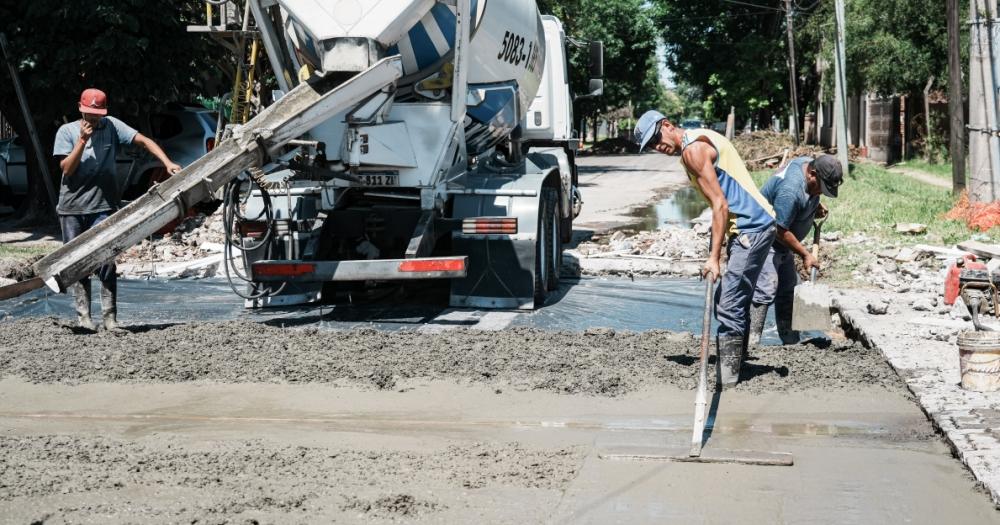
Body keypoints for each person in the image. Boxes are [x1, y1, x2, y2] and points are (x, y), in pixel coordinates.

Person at [633, 110, 775, 389]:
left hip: (751, 227)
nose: (656, 147)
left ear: (667, 125)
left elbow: (720, 205)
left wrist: (713, 258)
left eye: (655, 139)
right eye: (650, 146)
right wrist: (717, 253)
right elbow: (720, 205)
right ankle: (737, 359)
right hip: (753, 226)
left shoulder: (692, 151)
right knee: (729, 295)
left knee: (730, 301)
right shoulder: (701, 141)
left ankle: (729, 379)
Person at [53, 88, 182, 330]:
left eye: (97, 114)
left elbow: (143, 141)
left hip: (103, 205)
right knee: (78, 263)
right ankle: (84, 318)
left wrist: (167, 163)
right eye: (89, 113)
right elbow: (67, 169)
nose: (93, 119)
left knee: (106, 260)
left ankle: (110, 317)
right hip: (73, 208)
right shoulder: (67, 132)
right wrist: (82, 140)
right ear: (80, 109)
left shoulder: (111, 126)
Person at [748, 155, 843, 347]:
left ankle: (790, 343)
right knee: (765, 289)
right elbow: (779, 229)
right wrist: (806, 254)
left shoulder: (807, 163)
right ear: (812, 174)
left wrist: (813, 204)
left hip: (783, 242)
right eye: (820, 189)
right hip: (765, 238)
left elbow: (805, 196)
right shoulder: (790, 191)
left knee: (787, 289)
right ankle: (751, 343)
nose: (820, 194)